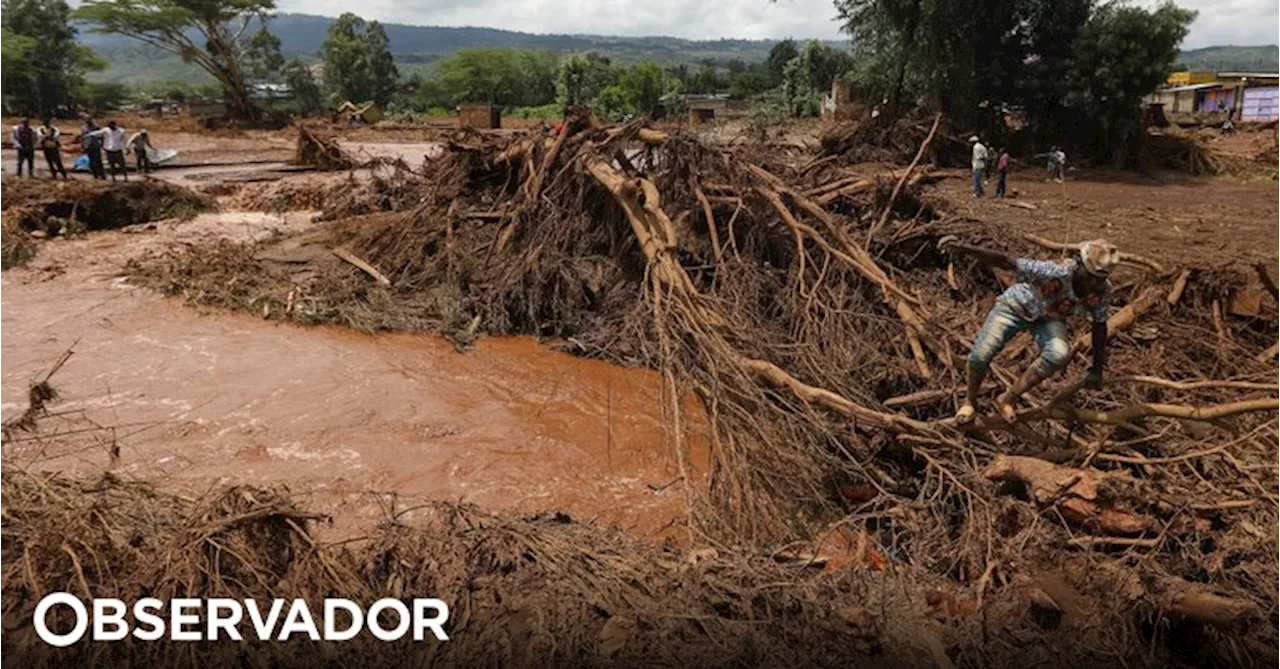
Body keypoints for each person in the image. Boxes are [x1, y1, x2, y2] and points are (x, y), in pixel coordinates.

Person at [939, 236, 1117, 424]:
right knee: (980, 355)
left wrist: (1097, 369)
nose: (1092, 283)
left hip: (1049, 319)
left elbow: (1099, 327)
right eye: (1089, 276)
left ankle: (1008, 398)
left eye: (1099, 279)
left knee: (1059, 354)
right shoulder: (1056, 271)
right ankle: (970, 401)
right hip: (1014, 308)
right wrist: (962, 247)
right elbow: (1006, 261)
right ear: (1079, 264)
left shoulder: (1102, 292)